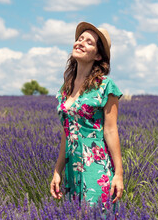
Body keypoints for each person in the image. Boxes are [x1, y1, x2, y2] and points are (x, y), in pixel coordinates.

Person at [50, 21, 124, 206]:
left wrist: (119, 174)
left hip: (96, 168)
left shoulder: (105, 86)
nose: (81, 43)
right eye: (80, 39)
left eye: (89, 42)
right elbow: (67, 133)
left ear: (98, 55)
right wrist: (57, 171)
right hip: (71, 169)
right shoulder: (65, 90)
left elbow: (110, 131)